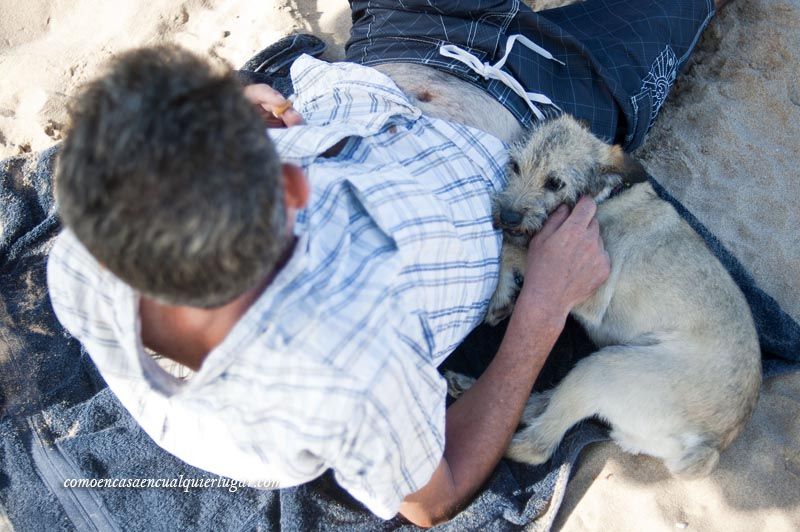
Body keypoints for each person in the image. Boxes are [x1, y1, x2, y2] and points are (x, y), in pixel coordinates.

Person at [47, 0, 726, 526]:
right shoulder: (346, 374)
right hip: (544, 103)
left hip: (403, 44)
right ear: (289, 189)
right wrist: (543, 309)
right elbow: (437, 494)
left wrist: (234, 98)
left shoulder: (84, 261)